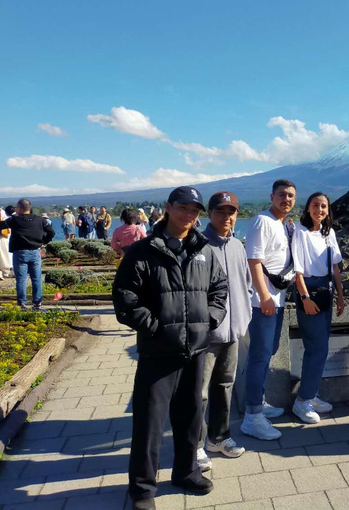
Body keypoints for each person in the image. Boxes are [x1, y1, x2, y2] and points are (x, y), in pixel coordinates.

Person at [113, 186, 228, 510]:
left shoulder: (204, 250)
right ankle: (142, 489)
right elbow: (125, 298)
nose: (189, 215)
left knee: (191, 416)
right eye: (183, 208)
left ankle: (186, 471)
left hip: (195, 351)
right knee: (149, 424)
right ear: (168, 207)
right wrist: (155, 328)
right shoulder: (143, 251)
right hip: (157, 353)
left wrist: (209, 321)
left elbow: (220, 290)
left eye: (195, 210)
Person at [196, 191, 252, 473]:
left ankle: (219, 436)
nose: (226, 217)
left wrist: (244, 316)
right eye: (220, 211)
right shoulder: (198, 246)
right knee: (199, 392)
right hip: (206, 335)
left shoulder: (238, 247)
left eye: (231, 212)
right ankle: (195, 445)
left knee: (225, 386)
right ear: (209, 213)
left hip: (233, 331)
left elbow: (246, 283)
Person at [241, 179, 297, 440]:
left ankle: (258, 401)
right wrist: (263, 296)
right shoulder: (261, 221)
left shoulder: (283, 224)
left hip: (278, 299)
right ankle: (252, 417)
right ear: (272, 196)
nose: (287, 199)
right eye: (282, 195)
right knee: (260, 355)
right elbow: (254, 261)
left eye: (291, 196)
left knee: (269, 350)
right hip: (262, 300)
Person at [291, 192, 345, 423]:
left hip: (326, 292)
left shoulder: (328, 232)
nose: (319, 210)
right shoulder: (300, 233)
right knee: (317, 348)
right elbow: (298, 270)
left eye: (323, 206)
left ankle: (311, 394)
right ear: (308, 208)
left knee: (319, 347)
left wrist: (341, 296)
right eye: (315, 205)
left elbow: (335, 268)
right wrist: (304, 298)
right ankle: (302, 401)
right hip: (309, 291)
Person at [0, 199, 55, 310]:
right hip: (35, 251)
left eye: (16, 207)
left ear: (20, 208)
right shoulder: (40, 219)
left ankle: (22, 304)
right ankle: (37, 303)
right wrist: (44, 241)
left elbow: (1, 225)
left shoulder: (15, 220)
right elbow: (52, 232)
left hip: (20, 252)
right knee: (36, 279)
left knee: (21, 279)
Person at [0, 207, 11, 279]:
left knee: (3, 255)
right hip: (4, 238)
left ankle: (3, 271)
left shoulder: (3, 214)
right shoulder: (4, 214)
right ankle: (5, 271)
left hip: (3, 238)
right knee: (4, 255)